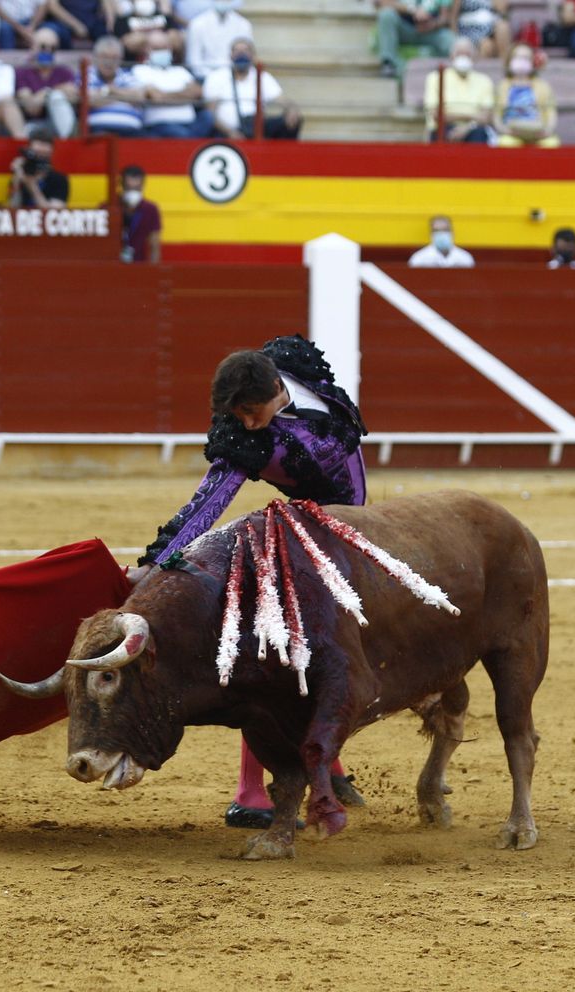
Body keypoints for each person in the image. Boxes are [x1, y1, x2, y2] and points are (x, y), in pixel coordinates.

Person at [133, 336, 369, 829]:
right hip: (310, 536)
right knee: (277, 653)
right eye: (235, 414)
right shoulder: (247, 438)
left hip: (358, 527)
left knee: (332, 651)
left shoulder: (292, 361)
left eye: (251, 412)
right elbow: (209, 500)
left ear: (277, 387)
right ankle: (251, 793)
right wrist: (158, 561)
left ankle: (330, 765)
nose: (244, 422)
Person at [203, 36, 301, 138]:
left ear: (253, 55)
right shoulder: (217, 77)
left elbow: (283, 100)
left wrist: (292, 109)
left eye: (245, 50)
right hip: (226, 132)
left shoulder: (262, 76)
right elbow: (210, 114)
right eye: (236, 50)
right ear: (230, 55)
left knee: (291, 121)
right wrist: (230, 132)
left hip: (257, 128)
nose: (241, 54)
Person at [134, 27, 205, 137]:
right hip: (160, 125)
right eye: (157, 48)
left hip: (190, 122)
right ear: (147, 50)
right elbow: (156, 97)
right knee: (185, 136)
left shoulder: (180, 70)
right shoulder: (140, 70)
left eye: (165, 48)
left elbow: (197, 92)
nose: (162, 51)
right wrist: (184, 95)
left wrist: (166, 96)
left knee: (207, 117)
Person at [424, 36, 493, 142]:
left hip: (473, 128)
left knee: (479, 134)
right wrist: (471, 116)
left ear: (474, 57)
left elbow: (486, 117)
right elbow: (436, 115)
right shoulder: (435, 78)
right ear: (451, 56)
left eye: (467, 54)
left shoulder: (484, 80)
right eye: (459, 54)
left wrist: (467, 127)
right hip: (444, 128)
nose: (463, 58)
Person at [14, 26, 76, 136]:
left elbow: (73, 97)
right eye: (43, 47)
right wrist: (52, 92)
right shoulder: (22, 72)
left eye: (52, 48)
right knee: (56, 95)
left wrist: (46, 93)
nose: (48, 51)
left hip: (59, 125)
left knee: (56, 96)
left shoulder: (64, 72)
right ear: (33, 47)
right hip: (33, 126)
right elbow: (31, 108)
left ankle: (67, 142)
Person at [493, 43, 558, 147]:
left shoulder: (543, 86)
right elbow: (496, 116)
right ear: (510, 61)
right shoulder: (502, 86)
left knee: (551, 144)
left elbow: (551, 115)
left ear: (532, 62)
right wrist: (504, 130)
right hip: (511, 132)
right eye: (517, 57)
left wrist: (546, 132)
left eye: (525, 58)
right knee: (506, 143)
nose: (521, 61)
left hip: (537, 131)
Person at [374, 0, 455, 79]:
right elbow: (383, 2)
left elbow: (445, 17)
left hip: (431, 31)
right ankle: (389, 64)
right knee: (386, 15)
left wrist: (433, 25)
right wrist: (413, 9)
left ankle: (451, 69)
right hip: (404, 28)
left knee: (448, 38)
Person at [84, 34, 146, 136]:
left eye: (114, 57)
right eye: (104, 57)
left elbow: (138, 98)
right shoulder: (87, 74)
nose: (109, 62)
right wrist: (123, 97)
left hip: (132, 130)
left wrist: (108, 91)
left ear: (121, 59)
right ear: (95, 58)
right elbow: (89, 100)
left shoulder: (128, 75)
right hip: (98, 129)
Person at [184, 0, 250, 80]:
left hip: (237, 77)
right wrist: (214, 79)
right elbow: (194, 61)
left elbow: (248, 56)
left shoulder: (244, 24)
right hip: (205, 78)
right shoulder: (197, 24)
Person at [7, 124, 68, 205]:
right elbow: (12, 208)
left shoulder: (59, 180)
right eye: (37, 154)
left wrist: (31, 185)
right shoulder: (23, 173)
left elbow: (52, 214)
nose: (40, 159)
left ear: (51, 153)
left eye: (44, 154)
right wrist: (17, 178)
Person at [119, 163, 160, 263]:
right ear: (122, 185)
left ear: (142, 185)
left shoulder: (150, 209)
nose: (132, 191)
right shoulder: (110, 208)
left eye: (136, 188)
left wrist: (153, 273)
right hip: (113, 265)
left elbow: (154, 245)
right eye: (128, 188)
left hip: (139, 264)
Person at [408, 214, 474, 266]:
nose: (441, 234)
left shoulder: (465, 258)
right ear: (431, 234)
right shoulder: (419, 258)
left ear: (452, 232)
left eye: (445, 230)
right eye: (436, 231)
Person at [39, 0, 109, 49]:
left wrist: (110, 22)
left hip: (93, 22)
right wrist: (76, 25)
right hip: (63, 23)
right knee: (47, 36)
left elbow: (107, 4)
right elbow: (52, 5)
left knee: (108, 41)